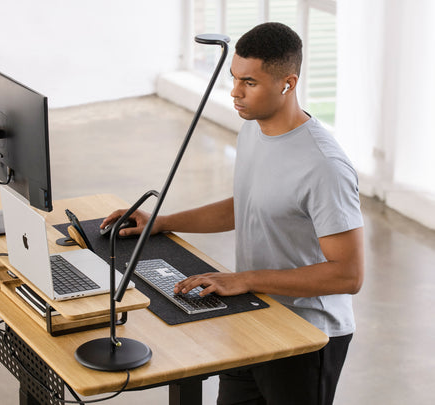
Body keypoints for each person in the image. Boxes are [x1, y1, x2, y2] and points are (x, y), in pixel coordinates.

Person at [101, 22, 364, 405]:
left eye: (250, 83)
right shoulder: (254, 130)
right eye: (234, 78)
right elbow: (248, 204)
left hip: (307, 336)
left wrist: (244, 279)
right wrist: (163, 222)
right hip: (254, 312)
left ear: (287, 84)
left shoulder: (324, 166)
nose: (235, 93)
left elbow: (349, 273)